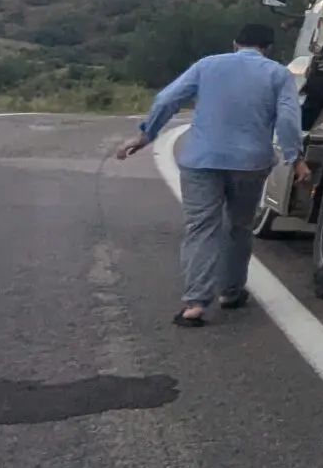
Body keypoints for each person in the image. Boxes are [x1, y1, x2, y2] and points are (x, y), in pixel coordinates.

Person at [118, 22, 303, 328]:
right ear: (268, 48)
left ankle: (194, 304)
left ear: (235, 43)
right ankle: (230, 292)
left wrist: (145, 136)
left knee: (201, 227)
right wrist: (295, 158)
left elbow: (167, 99)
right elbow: (287, 118)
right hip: (250, 164)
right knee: (239, 227)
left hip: (202, 161)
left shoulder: (207, 65)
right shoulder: (277, 74)